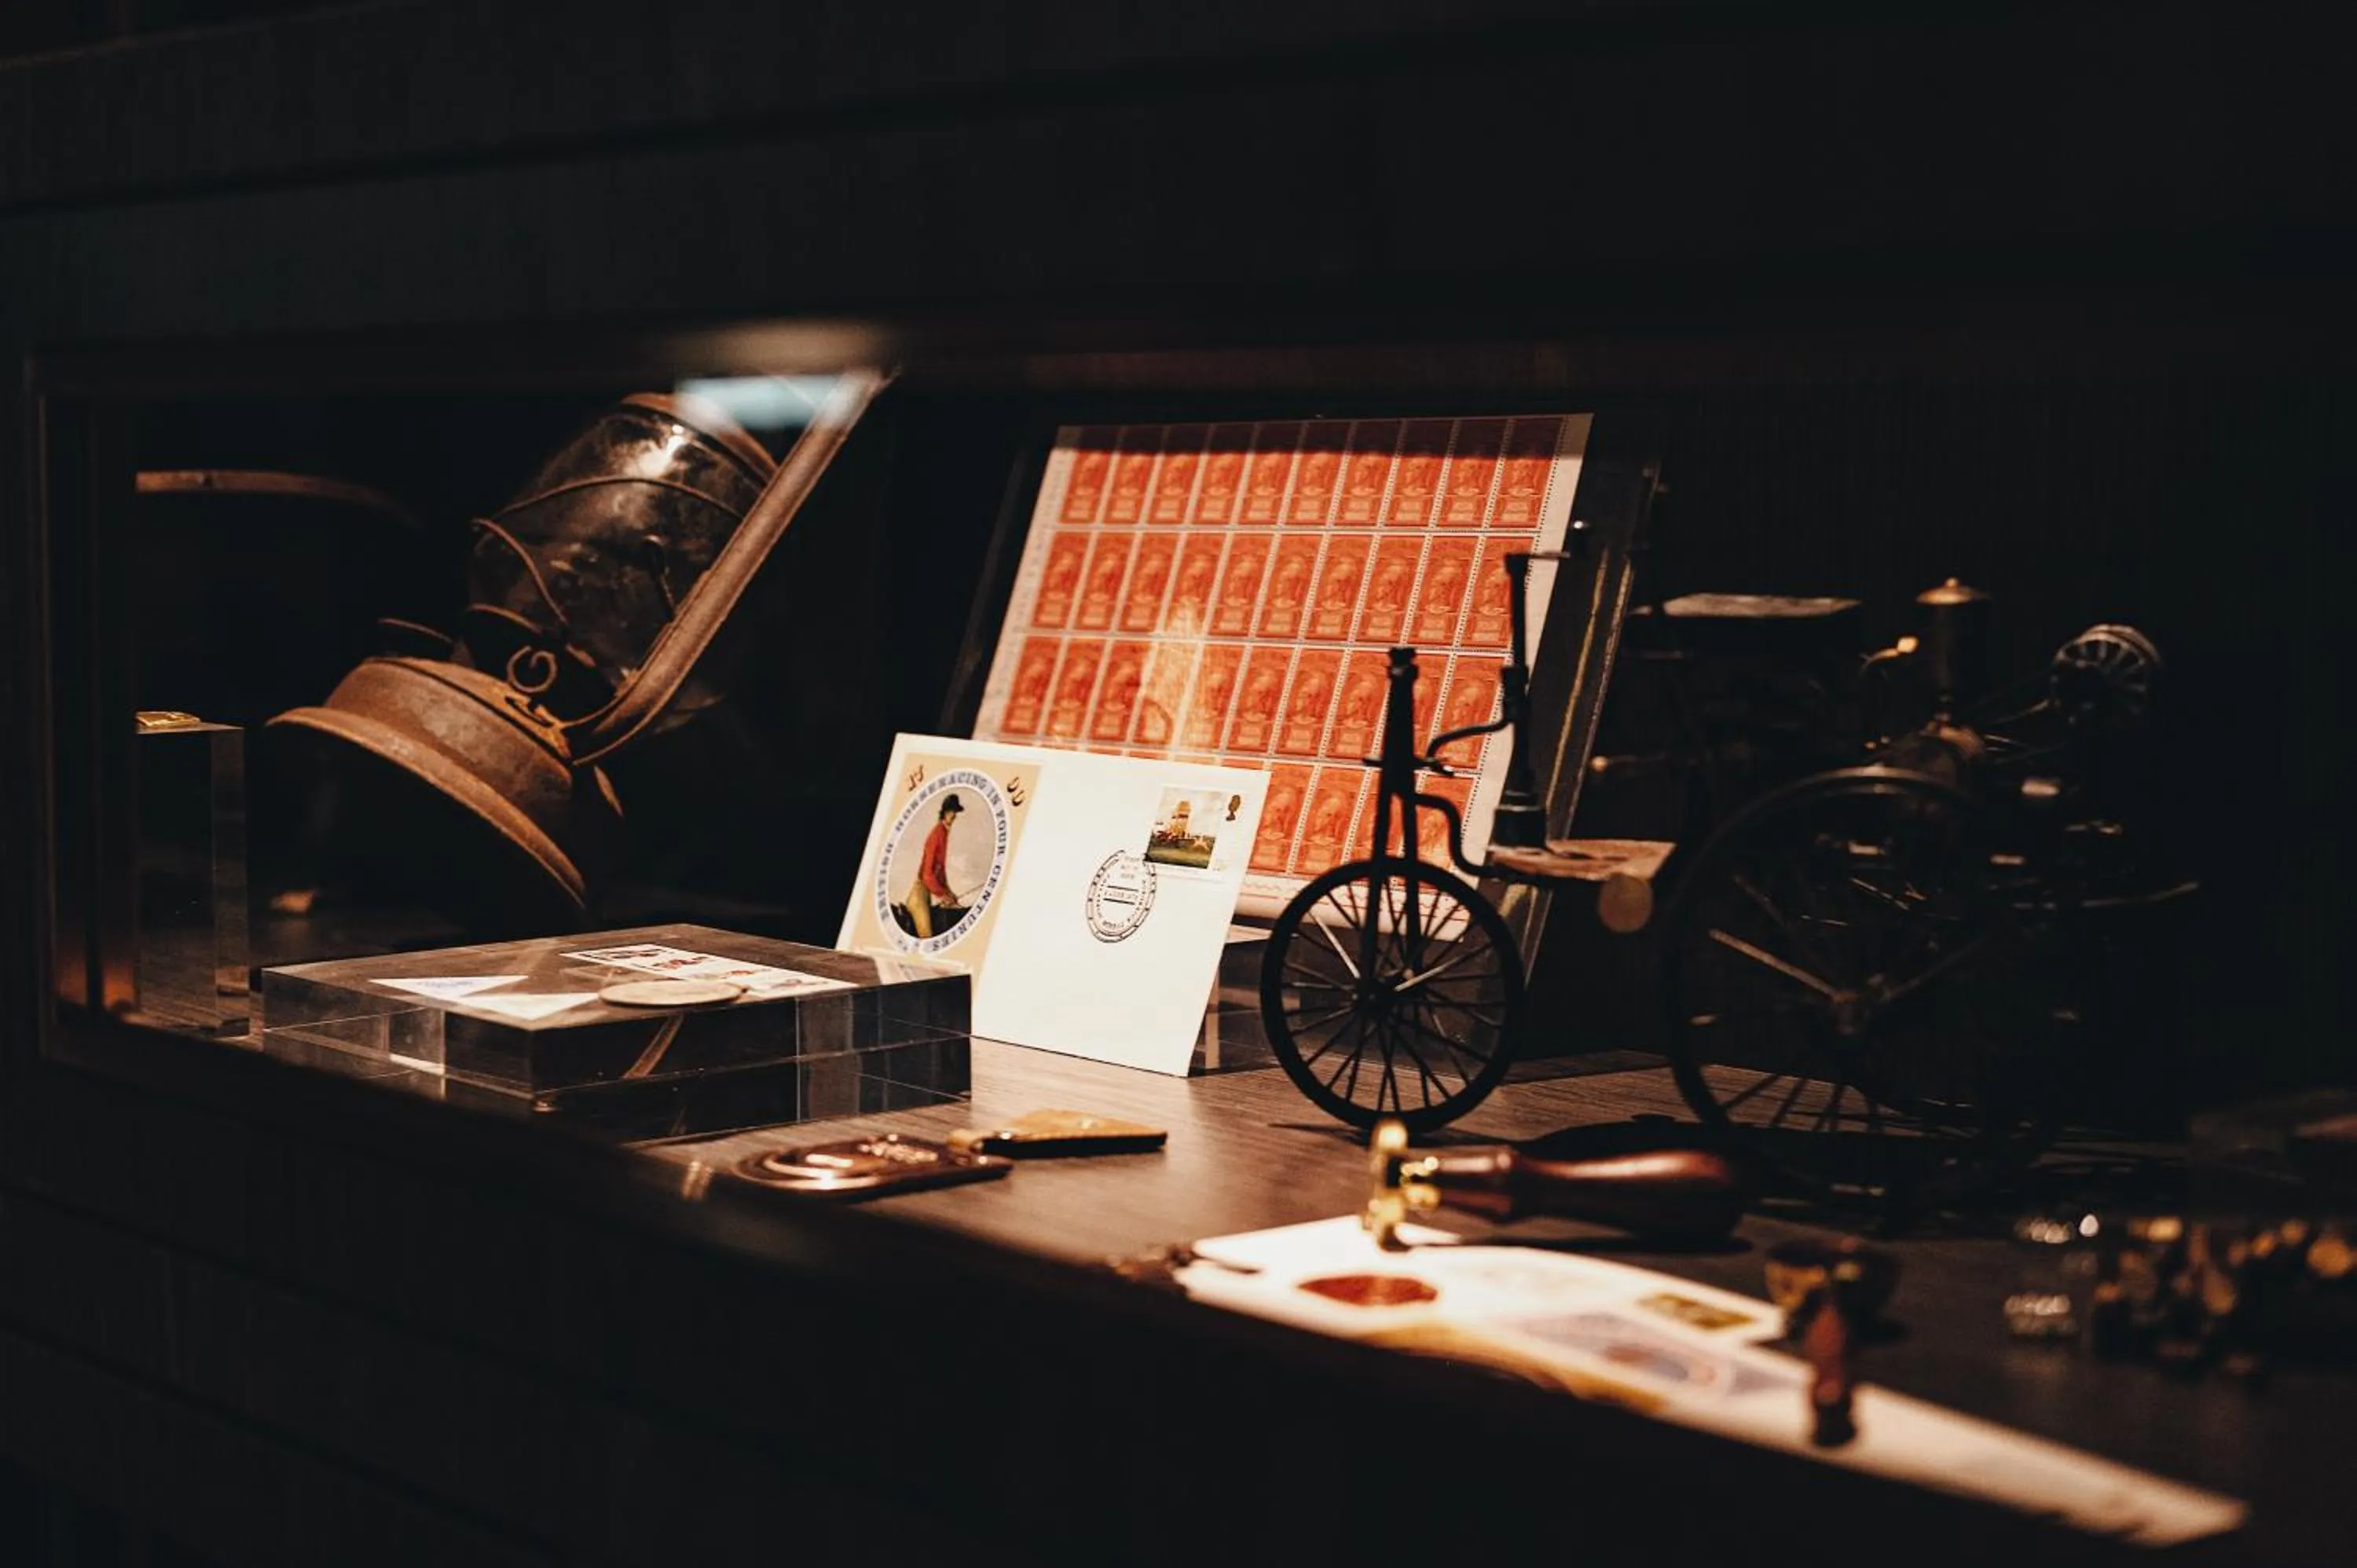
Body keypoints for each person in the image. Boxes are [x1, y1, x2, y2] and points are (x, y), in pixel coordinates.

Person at [902, 793, 966, 939]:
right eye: (951, 812)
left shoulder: (944, 833)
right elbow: (927, 875)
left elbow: (940, 872)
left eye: (955, 812)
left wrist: (949, 893)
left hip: (927, 893)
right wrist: (942, 895)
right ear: (944, 813)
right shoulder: (936, 834)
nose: (953, 815)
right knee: (927, 936)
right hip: (919, 894)